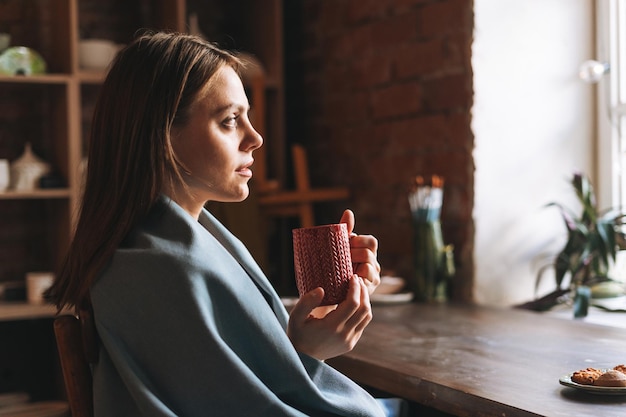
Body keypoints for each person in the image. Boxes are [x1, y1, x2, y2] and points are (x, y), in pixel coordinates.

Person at [49, 31, 389, 416]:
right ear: (161, 135)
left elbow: (234, 394)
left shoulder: (185, 244)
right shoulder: (162, 270)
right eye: (229, 121)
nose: (255, 138)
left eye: (248, 118)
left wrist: (305, 349)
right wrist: (307, 359)